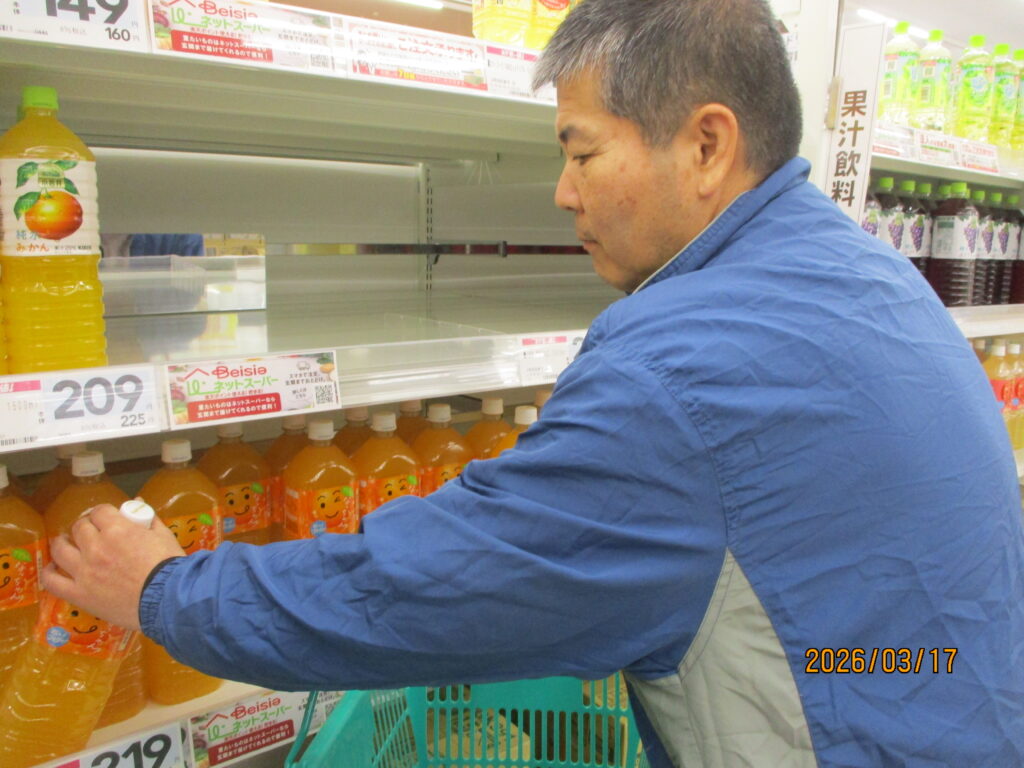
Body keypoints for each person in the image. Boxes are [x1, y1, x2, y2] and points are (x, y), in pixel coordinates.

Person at [40, 1, 1024, 766]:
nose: (561, 191)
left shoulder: (674, 369)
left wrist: (166, 592)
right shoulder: (868, 274)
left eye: (583, 152)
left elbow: (431, 590)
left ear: (707, 145)